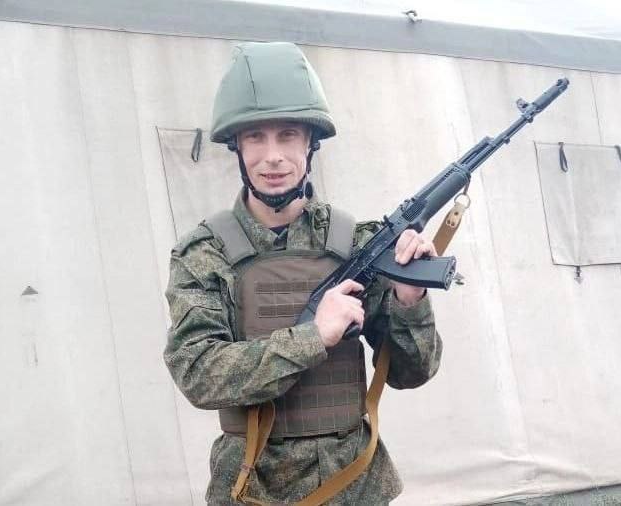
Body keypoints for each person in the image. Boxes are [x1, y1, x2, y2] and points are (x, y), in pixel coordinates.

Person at [164, 41, 442, 505]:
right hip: (254, 486)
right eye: (256, 137)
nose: (272, 156)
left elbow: (410, 373)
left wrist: (409, 301)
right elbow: (197, 373)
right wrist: (313, 337)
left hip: (355, 483)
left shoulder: (357, 244)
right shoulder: (206, 252)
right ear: (237, 147)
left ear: (310, 143)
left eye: (288, 135)